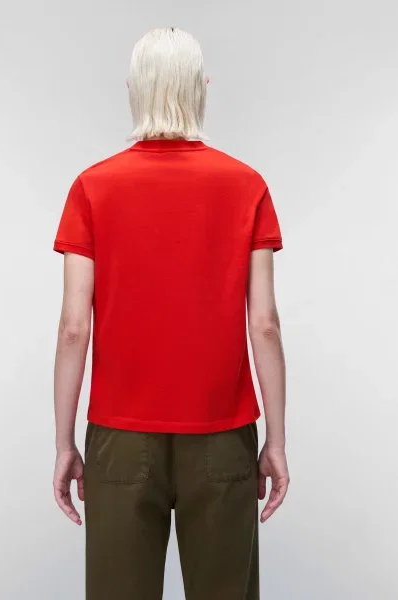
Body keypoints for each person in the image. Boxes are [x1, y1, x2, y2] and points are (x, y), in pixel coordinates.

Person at [52, 26, 289, 600]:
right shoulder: (247, 185)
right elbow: (264, 323)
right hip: (222, 434)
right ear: (201, 87)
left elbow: (74, 328)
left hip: (119, 436)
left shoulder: (92, 187)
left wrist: (64, 444)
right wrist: (276, 442)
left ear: (133, 88)